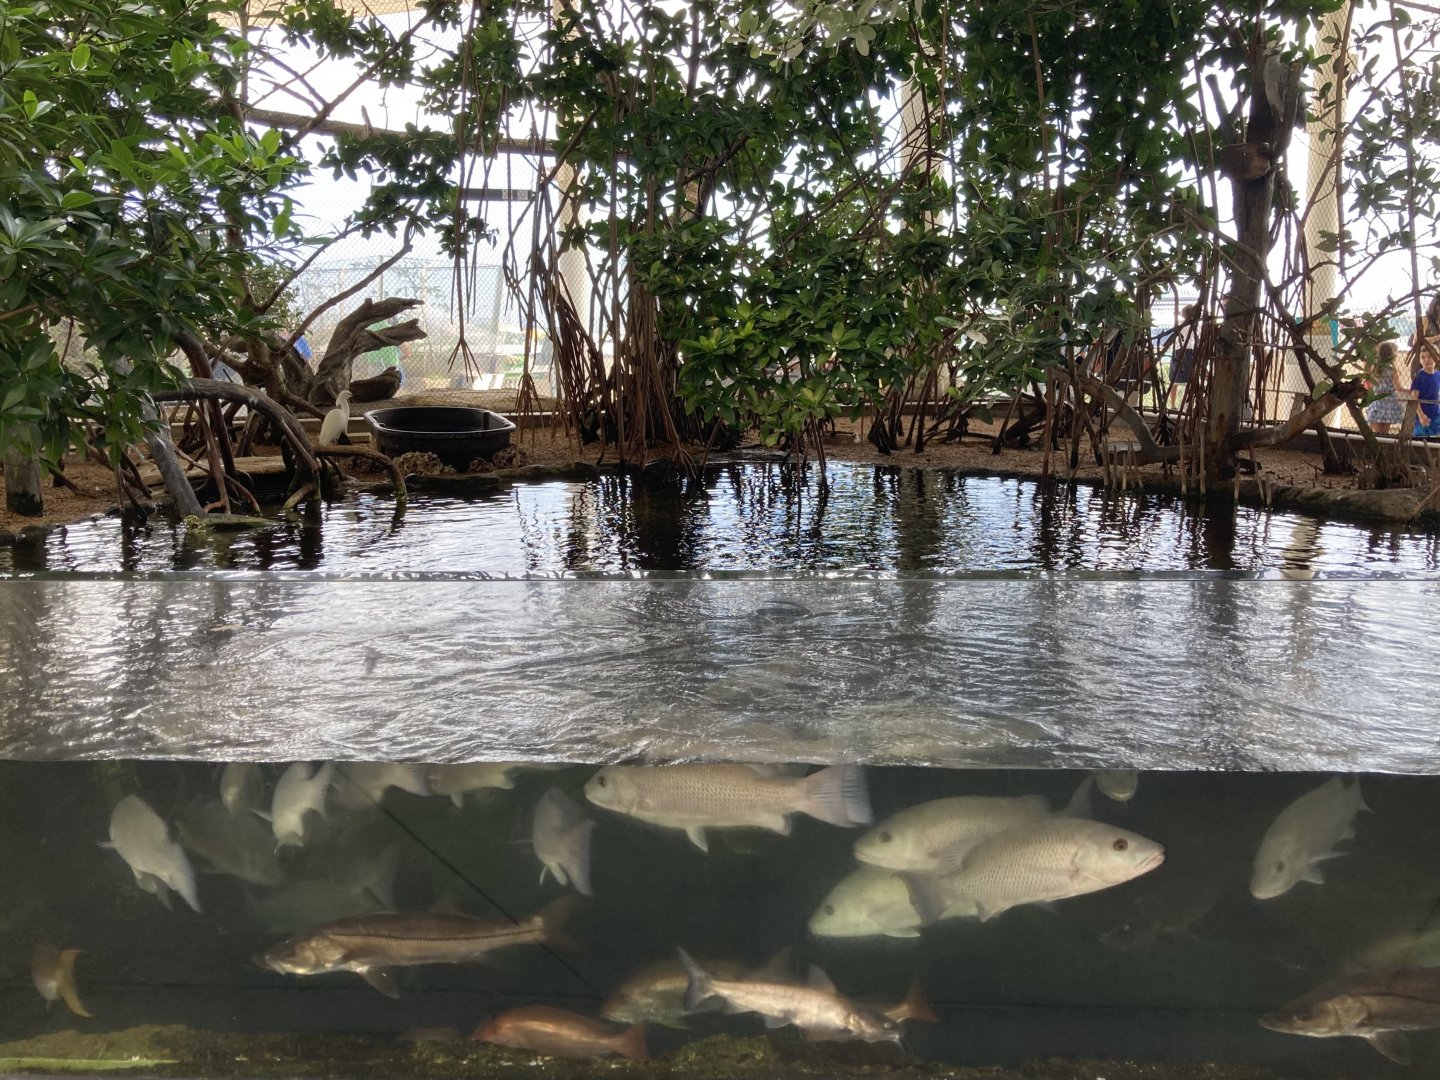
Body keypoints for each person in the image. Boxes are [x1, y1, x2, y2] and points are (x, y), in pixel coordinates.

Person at [1364, 341, 1406, 435]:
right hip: (1389, 403)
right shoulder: (1392, 370)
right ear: (1392, 355)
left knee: (1377, 433)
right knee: (1385, 433)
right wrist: (1409, 390)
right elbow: (1398, 388)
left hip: (1377, 401)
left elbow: (1367, 375)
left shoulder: (1375, 369)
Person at [1168, 305, 1200, 407]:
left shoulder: (1182, 324)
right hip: (1186, 351)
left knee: (1175, 380)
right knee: (1187, 379)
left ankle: (1175, 405)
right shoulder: (1194, 325)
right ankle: (1184, 405)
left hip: (1180, 351)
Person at [1412, 344, 1440, 438]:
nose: (1426, 359)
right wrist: (1421, 415)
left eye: (1429, 356)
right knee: (1421, 441)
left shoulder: (1438, 375)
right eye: (1422, 357)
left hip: (1436, 415)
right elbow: (1414, 398)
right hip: (1423, 417)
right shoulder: (1419, 376)